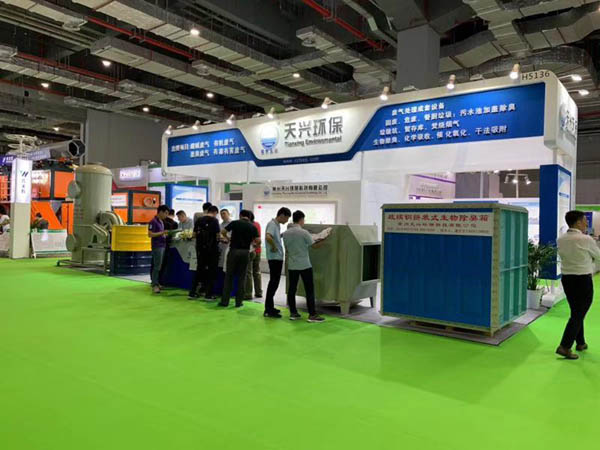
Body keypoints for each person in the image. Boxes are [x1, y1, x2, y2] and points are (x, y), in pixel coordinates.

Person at [556, 210, 600, 360]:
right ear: (578, 222)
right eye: (584, 220)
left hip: (567, 279)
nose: (587, 223)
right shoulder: (585, 239)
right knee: (578, 313)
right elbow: (598, 256)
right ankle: (564, 346)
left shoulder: (561, 239)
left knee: (576, 311)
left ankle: (580, 343)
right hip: (582, 280)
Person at [282, 210, 326, 323]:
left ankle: (293, 313)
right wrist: (324, 239)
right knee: (309, 289)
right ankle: (312, 315)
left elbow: (287, 249)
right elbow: (314, 246)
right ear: (301, 219)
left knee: (292, 289)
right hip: (305, 265)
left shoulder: (285, 233)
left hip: (292, 265)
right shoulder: (304, 232)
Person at [218, 209, 260, 308]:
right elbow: (258, 240)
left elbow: (223, 231)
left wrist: (228, 238)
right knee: (242, 277)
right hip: (245, 252)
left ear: (241, 215)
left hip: (233, 251)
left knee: (229, 276)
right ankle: (239, 302)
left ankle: (225, 301)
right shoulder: (252, 226)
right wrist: (254, 245)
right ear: (249, 217)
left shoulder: (235, 223)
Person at [263, 207, 292, 318]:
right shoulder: (272, 224)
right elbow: (268, 237)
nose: (287, 221)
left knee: (274, 283)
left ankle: (270, 307)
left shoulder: (276, 225)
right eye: (287, 218)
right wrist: (274, 247)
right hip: (274, 258)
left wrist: (280, 236)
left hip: (277, 258)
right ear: (282, 215)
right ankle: (268, 309)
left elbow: (273, 237)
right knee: (273, 283)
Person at [189, 206, 221, 300]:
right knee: (211, 271)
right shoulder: (214, 221)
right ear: (215, 212)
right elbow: (218, 235)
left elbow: (194, 235)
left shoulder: (199, 220)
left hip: (200, 249)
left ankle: (193, 292)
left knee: (199, 270)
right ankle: (208, 294)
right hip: (212, 249)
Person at [148, 205, 170, 294]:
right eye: (166, 213)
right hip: (157, 246)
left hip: (162, 245)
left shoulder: (161, 221)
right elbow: (150, 234)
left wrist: (164, 234)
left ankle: (157, 282)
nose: (166, 215)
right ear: (160, 212)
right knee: (157, 266)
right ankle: (154, 285)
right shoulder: (153, 221)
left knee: (159, 265)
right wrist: (162, 233)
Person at [244, 211, 263, 301]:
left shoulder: (248, 226)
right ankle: (259, 292)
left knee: (248, 272)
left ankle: (248, 293)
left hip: (250, 251)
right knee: (257, 271)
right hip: (258, 250)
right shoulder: (257, 224)